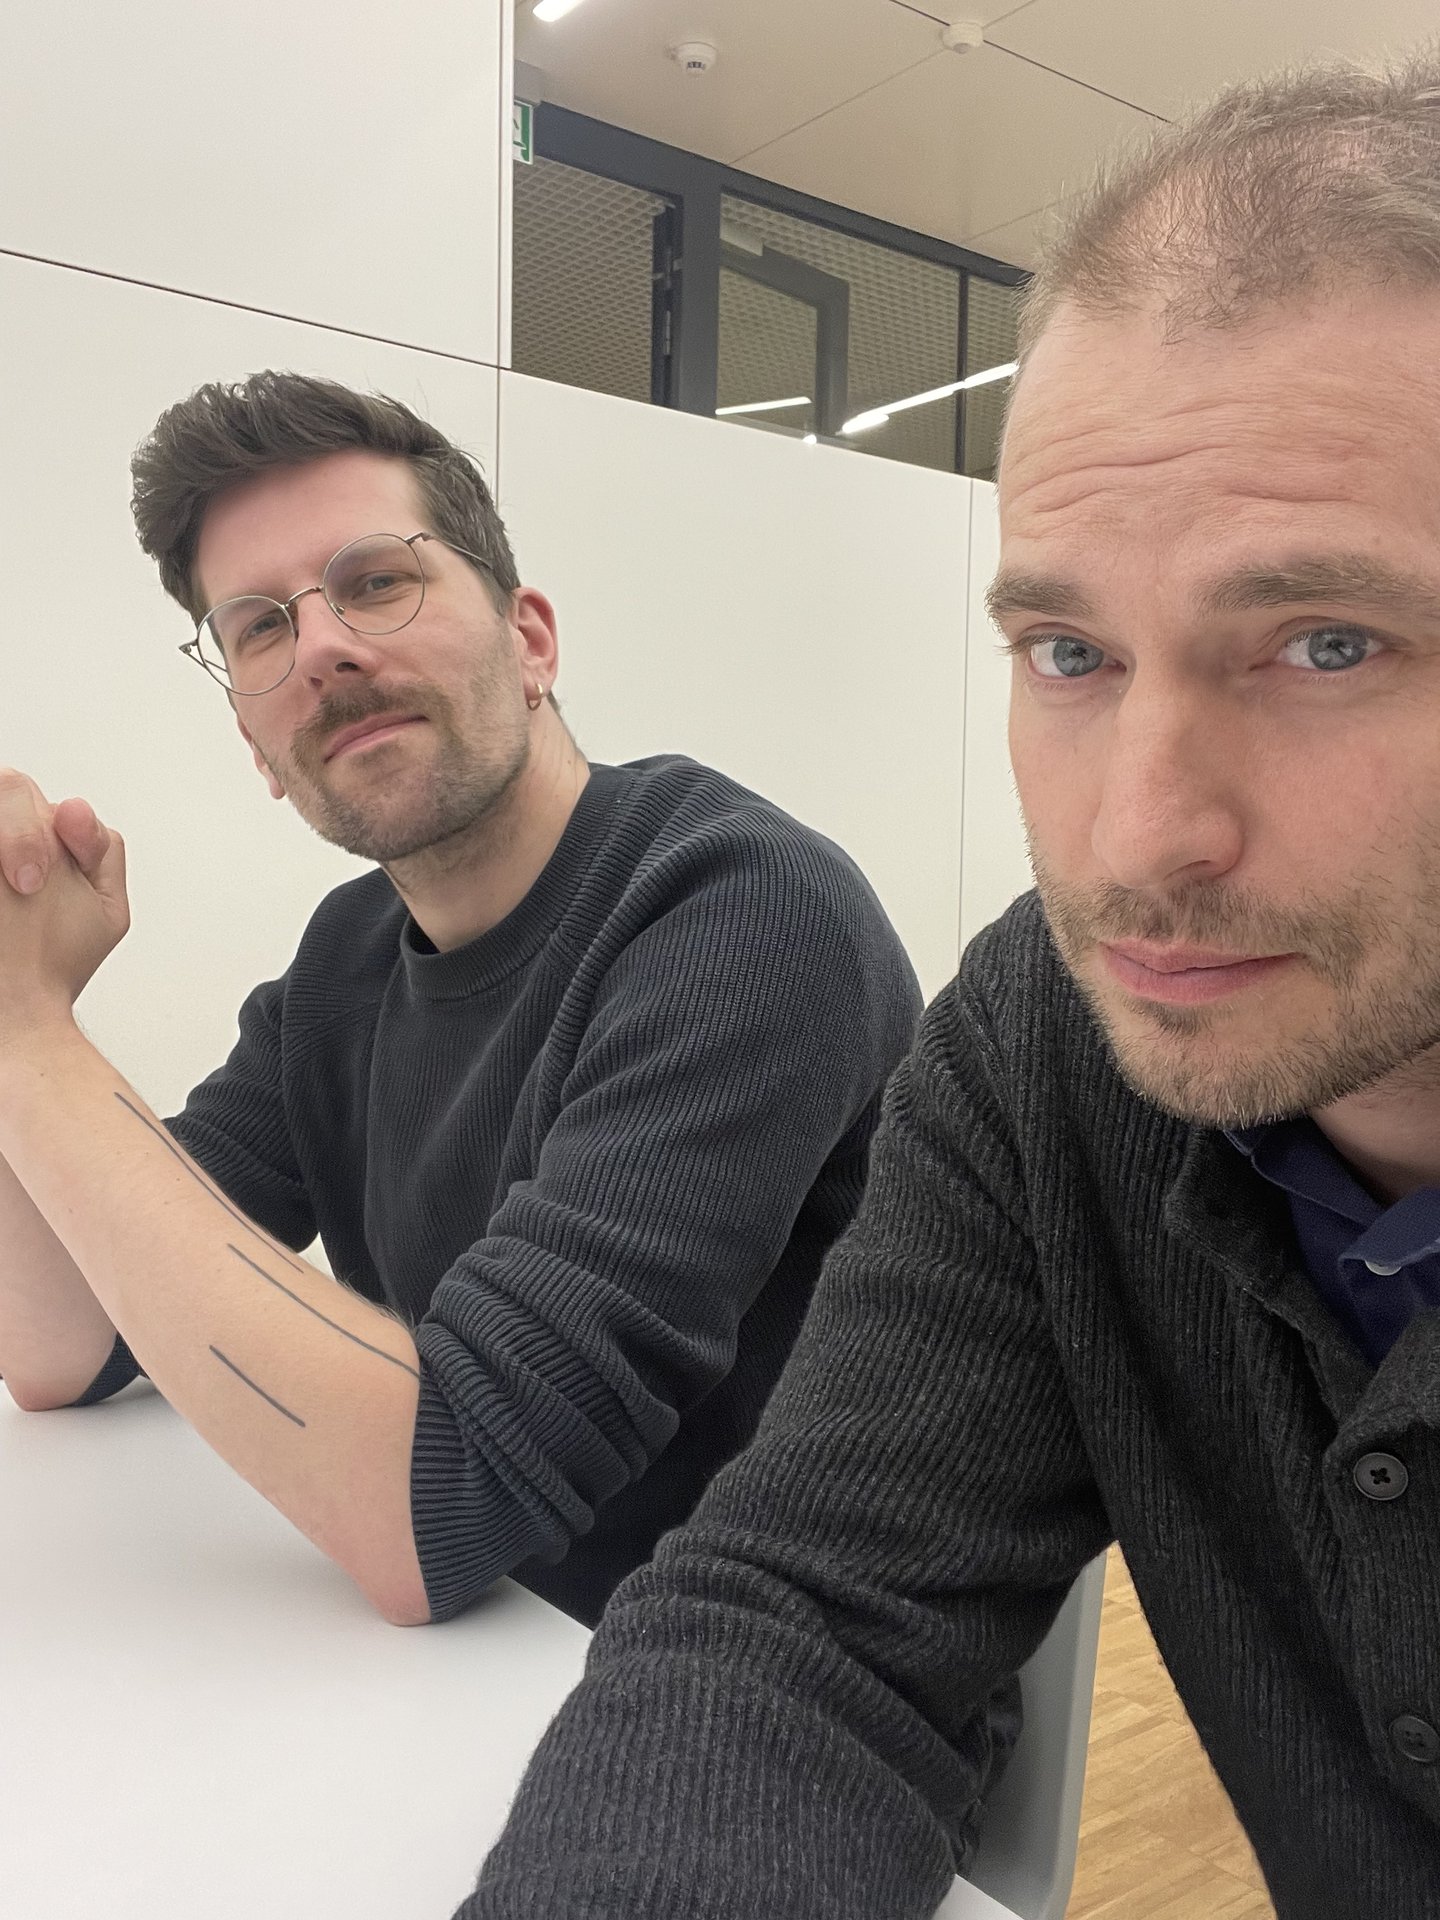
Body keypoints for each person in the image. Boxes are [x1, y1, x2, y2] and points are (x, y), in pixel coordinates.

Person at [462, 48, 1440, 1920]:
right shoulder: (1060, 1036)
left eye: (1325, 643)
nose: (1137, 836)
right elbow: (814, 1621)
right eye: (1069, 651)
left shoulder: (742, 911)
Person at [0, 373, 920, 1629]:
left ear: (530, 641)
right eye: (259, 628)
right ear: (256, 746)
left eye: (378, 579)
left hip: (775, 1680)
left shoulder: (745, 915)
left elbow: (448, 1494)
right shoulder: (345, 965)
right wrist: (16, 1032)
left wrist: (33, 1040)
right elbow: (62, 1343)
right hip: (482, 1671)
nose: (321, 647)